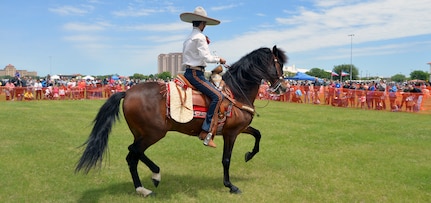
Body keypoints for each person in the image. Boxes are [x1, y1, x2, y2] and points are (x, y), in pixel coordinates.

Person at [180, 6, 226, 148]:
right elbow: (206, 57)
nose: (205, 26)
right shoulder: (199, 37)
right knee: (218, 96)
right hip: (196, 73)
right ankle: (205, 131)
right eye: (204, 23)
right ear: (202, 23)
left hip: (189, 72)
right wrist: (219, 59)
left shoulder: (189, 37)